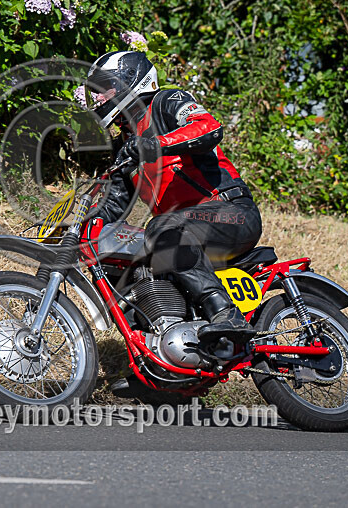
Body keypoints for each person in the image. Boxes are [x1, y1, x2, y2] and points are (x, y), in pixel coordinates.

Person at [85, 50, 262, 344]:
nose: (100, 99)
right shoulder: (126, 146)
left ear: (131, 79)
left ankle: (225, 313)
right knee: (121, 266)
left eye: (106, 88)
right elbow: (114, 203)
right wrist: (84, 225)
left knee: (162, 227)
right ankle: (154, 355)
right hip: (183, 231)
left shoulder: (166, 102)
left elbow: (208, 128)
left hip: (231, 213)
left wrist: (154, 144)